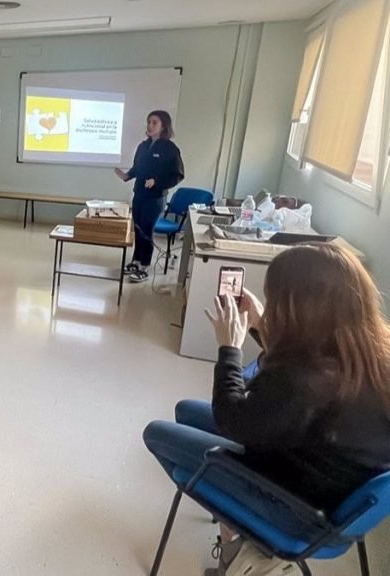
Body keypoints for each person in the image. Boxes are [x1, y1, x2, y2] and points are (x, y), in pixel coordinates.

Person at [143, 244, 390, 574]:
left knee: (156, 434)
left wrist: (229, 348)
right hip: (327, 486)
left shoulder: (300, 383)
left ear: (300, 310)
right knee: (186, 411)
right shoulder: (367, 352)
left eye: (275, 301)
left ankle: (238, 538)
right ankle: (233, 520)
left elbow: (233, 419)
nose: (272, 306)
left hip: (295, 508)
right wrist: (262, 327)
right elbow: (308, 371)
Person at [114, 110, 184, 283]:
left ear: (163, 126)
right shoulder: (143, 146)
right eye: (149, 122)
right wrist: (126, 176)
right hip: (139, 194)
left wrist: (157, 182)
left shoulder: (170, 148)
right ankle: (136, 261)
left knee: (146, 230)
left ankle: (144, 266)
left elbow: (177, 174)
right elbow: (137, 168)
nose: (150, 126)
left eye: (154, 123)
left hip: (155, 198)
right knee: (137, 228)